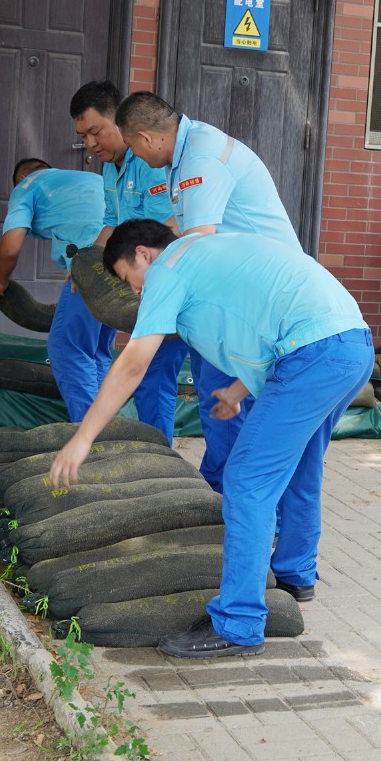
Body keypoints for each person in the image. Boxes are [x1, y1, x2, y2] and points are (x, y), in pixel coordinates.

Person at [48, 219, 373, 659]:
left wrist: (83, 437)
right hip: (350, 344)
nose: (137, 291)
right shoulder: (209, 250)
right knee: (299, 468)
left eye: (128, 279)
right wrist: (237, 391)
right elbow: (261, 318)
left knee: (246, 481)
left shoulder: (168, 269)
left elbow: (133, 363)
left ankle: (238, 623)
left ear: (143, 254)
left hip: (312, 355)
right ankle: (295, 575)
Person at [113, 91, 300, 491]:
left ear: (145, 137)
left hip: (259, 296)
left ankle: (229, 492)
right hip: (244, 287)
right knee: (216, 386)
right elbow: (179, 226)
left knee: (222, 390)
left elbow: (198, 241)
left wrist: (157, 289)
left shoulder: (200, 157)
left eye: (132, 147)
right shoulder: (187, 150)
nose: (136, 157)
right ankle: (226, 486)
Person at [69, 80, 187, 443]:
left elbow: (163, 235)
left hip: (170, 283)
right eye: (83, 136)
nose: (91, 143)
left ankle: (160, 459)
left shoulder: (149, 162)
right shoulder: (110, 167)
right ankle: (155, 454)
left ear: (119, 122)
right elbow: (110, 223)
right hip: (147, 283)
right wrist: (86, 265)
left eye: (96, 131)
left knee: (153, 376)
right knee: (149, 376)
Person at [0, 158, 111, 422]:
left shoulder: (27, 185)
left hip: (92, 265)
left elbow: (10, 248)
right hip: (126, 263)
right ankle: (107, 428)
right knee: (97, 349)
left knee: (67, 347)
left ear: (21, 178)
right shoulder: (90, 179)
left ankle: (89, 433)